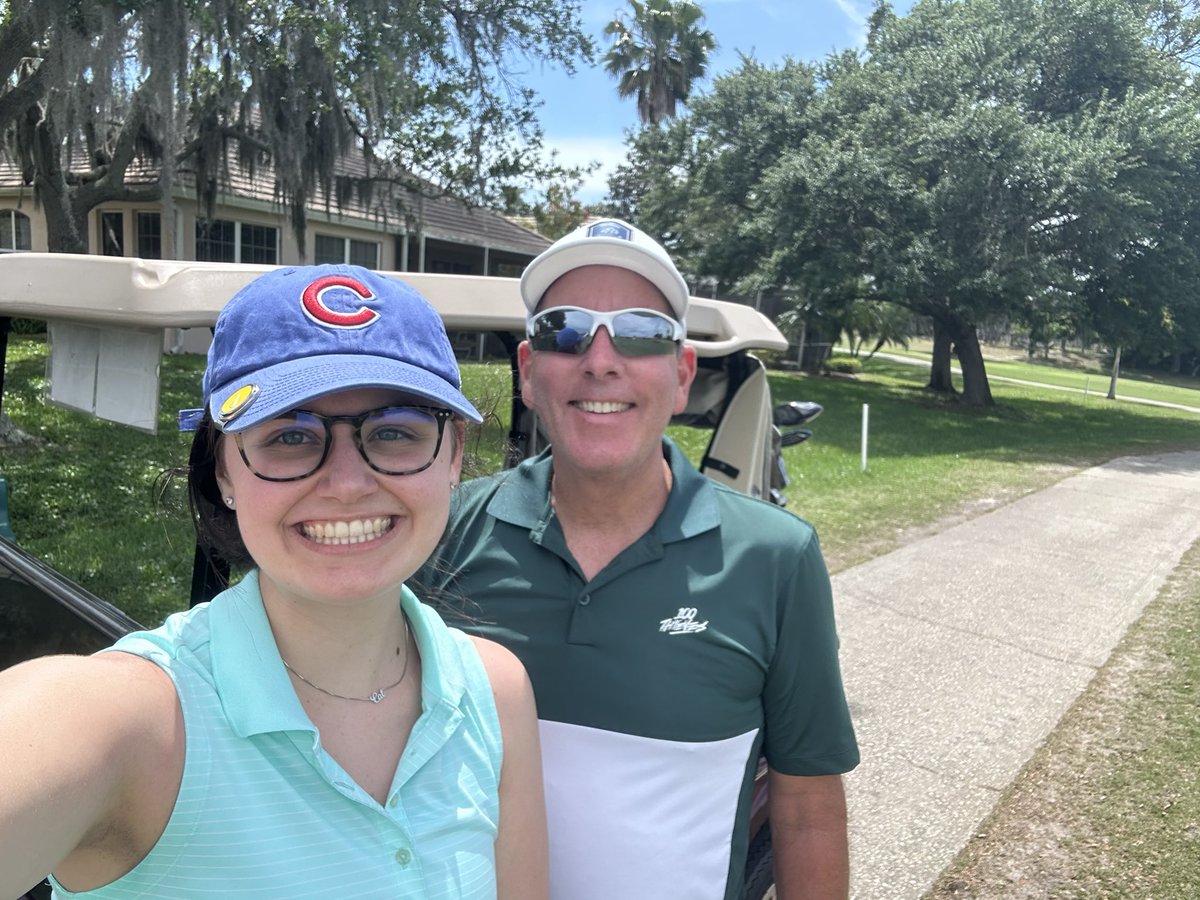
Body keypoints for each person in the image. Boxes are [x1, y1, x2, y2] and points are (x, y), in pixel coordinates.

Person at [0, 265, 548, 899]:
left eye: (395, 432)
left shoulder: (494, 691)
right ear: (225, 472)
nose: (347, 484)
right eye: (289, 436)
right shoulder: (128, 720)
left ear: (453, 456)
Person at [420, 220, 860, 900]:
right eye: (565, 329)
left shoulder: (778, 559)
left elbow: (805, 808)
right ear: (530, 373)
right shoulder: (443, 532)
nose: (601, 359)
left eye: (642, 332)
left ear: (681, 376)